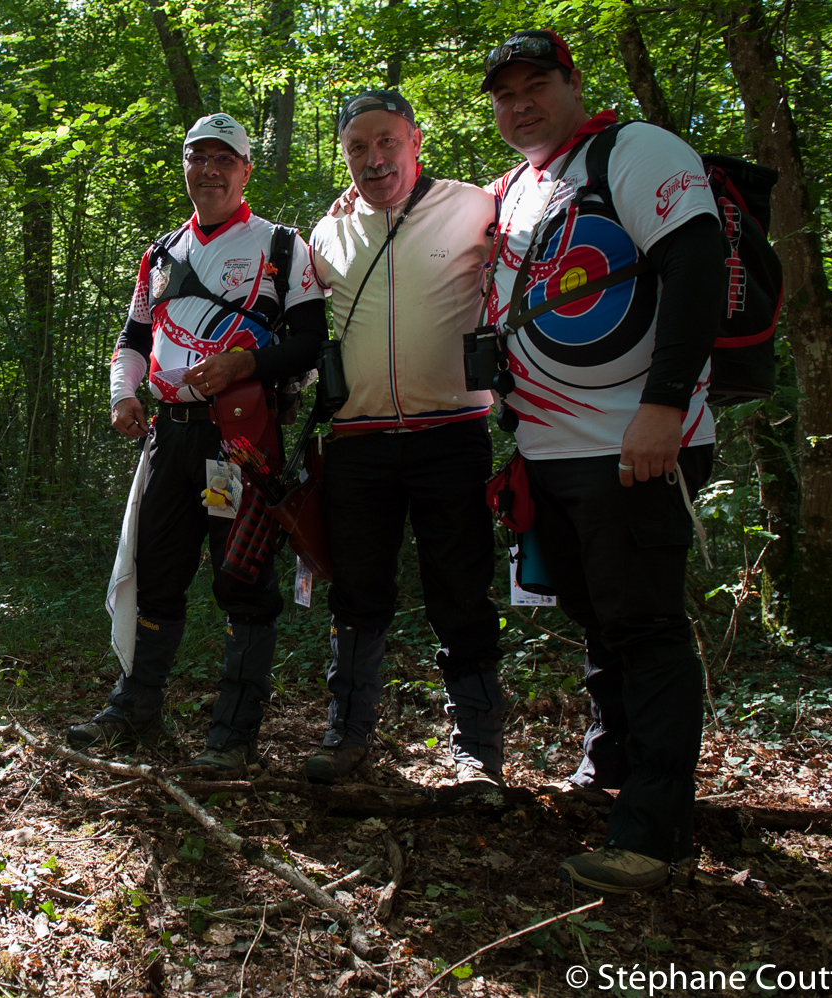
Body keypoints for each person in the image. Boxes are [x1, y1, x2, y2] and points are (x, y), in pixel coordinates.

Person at [481, 30, 727, 893]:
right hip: (546, 455)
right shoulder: (515, 189)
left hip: (633, 444)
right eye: (505, 95)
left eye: (536, 86)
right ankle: (613, 764)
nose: (521, 105)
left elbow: (696, 266)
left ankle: (654, 833)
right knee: (597, 616)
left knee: (645, 626)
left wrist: (664, 407)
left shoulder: (636, 150)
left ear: (573, 83)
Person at [68, 113, 328, 774]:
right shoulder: (160, 254)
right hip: (170, 437)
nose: (209, 170)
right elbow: (133, 337)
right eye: (197, 157)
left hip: (238, 441)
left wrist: (247, 364)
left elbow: (310, 341)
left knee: (243, 581)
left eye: (224, 159)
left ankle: (233, 735)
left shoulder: (280, 247)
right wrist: (122, 395)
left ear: (245, 170)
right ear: (185, 166)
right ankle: (134, 709)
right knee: (156, 575)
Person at [304, 90, 505, 786]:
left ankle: (478, 748)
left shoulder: (476, 206)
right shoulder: (328, 232)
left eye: (387, 141)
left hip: (452, 433)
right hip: (357, 443)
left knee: (462, 588)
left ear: (416, 141)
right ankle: (348, 733)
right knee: (357, 592)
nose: (374, 158)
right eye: (357, 148)